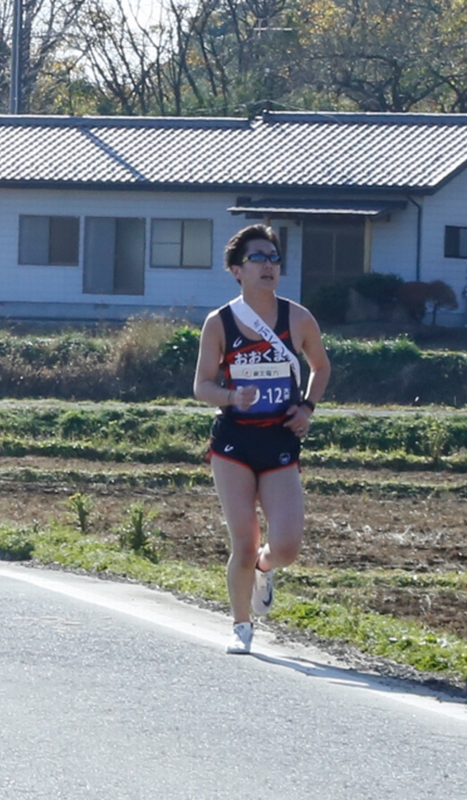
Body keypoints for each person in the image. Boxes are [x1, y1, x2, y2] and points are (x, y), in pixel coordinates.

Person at [193, 224, 331, 654]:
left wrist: (306, 409)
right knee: (244, 537)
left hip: (279, 441)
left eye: (273, 258)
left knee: (286, 545)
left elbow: (320, 368)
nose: (269, 266)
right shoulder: (221, 322)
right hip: (233, 442)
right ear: (237, 270)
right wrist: (233, 395)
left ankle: (264, 569)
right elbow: (201, 386)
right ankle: (241, 626)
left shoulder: (298, 318)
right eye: (258, 258)